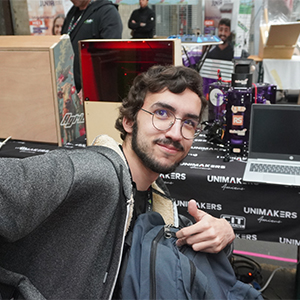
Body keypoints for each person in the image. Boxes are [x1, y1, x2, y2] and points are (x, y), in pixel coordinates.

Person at [0, 65, 235, 299]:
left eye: (189, 123)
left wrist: (224, 235)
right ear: (129, 122)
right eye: (162, 113)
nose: (175, 133)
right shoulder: (91, 172)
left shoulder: (158, 200)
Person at [61, 0, 123, 94]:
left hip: (95, 89)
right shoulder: (72, 13)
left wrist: (90, 86)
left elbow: (110, 55)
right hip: (71, 87)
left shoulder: (107, 12)